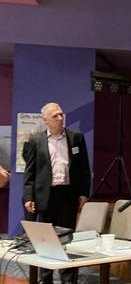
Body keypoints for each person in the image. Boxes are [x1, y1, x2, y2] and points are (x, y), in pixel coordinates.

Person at [22, 102, 91, 284]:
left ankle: (69, 280)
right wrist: (29, 197)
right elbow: (30, 172)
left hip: (68, 194)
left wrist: (84, 193)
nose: (60, 118)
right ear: (45, 119)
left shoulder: (76, 137)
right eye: (55, 116)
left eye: (61, 114)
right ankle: (46, 279)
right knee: (46, 239)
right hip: (46, 195)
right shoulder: (35, 140)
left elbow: (84, 168)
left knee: (67, 238)